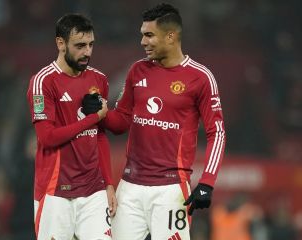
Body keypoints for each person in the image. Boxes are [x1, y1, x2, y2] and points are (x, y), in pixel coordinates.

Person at [82, 3, 226, 240]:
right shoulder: (137, 71)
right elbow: (121, 123)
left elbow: (217, 133)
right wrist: (100, 112)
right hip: (130, 186)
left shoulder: (200, 77)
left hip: (170, 189)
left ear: (170, 36)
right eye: (142, 35)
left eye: (149, 35)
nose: (143, 42)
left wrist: (207, 182)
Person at [26, 14, 117, 240]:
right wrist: (91, 118)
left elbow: (100, 136)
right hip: (55, 192)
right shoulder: (43, 82)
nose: (87, 52)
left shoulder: (99, 80)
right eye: (80, 46)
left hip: (93, 192)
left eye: (90, 45)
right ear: (60, 43)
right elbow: (47, 137)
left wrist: (109, 183)